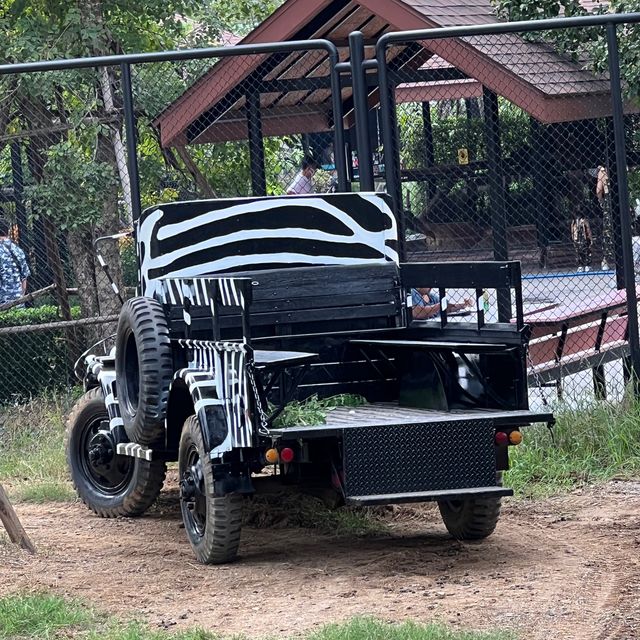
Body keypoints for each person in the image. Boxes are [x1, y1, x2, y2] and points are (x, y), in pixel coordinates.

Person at [0, 216, 30, 306]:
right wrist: (20, 297)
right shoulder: (18, 250)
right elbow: (24, 279)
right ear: (8, 231)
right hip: (18, 303)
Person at [596, 165, 614, 270]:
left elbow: (598, 190)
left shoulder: (603, 171)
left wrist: (601, 200)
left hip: (608, 200)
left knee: (608, 229)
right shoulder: (622, 166)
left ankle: (606, 259)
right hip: (622, 197)